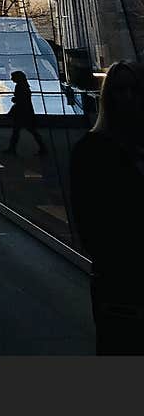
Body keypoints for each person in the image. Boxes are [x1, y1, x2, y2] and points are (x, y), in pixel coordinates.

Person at [70, 61, 144, 355]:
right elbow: (88, 222)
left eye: (134, 90)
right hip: (121, 276)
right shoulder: (92, 150)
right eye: (119, 91)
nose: (127, 98)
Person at [6, 70, 47, 155]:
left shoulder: (20, 86)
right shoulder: (24, 86)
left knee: (19, 131)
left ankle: (12, 149)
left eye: (13, 77)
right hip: (26, 112)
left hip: (22, 112)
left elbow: (21, 100)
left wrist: (15, 100)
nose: (11, 79)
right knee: (29, 131)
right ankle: (42, 148)